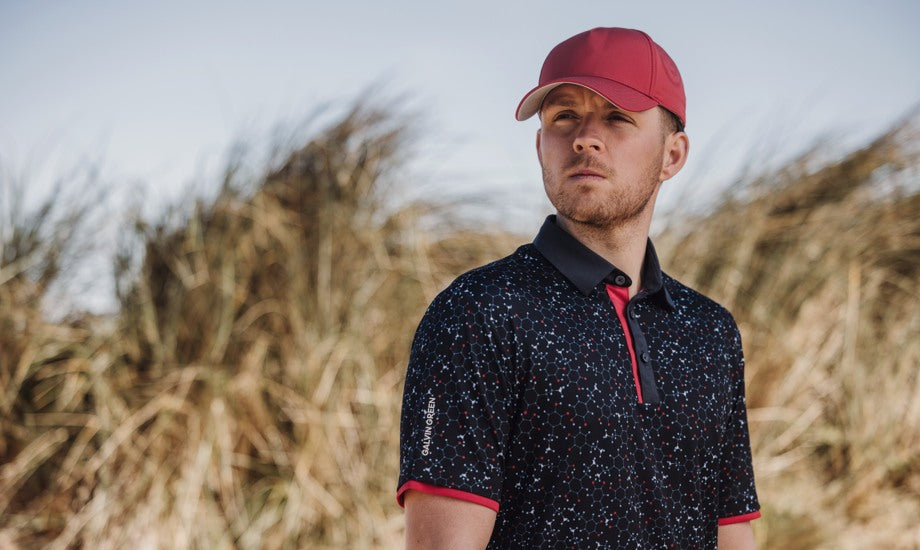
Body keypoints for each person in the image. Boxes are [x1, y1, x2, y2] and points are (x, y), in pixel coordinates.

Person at [397, 27, 760, 549]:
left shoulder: (710, 332)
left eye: (617, 117)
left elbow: (732, 532)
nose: (585, 137)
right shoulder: (479, 312)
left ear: (673, 155)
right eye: (563, 116)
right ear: (540, 145)